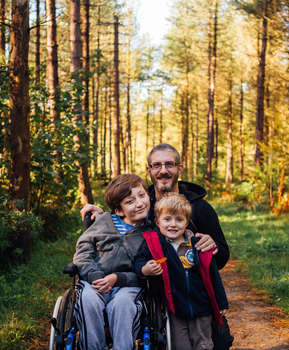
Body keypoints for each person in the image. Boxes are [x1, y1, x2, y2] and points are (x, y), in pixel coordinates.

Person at [81, 143, 229, 270]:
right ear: (149, 170)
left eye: (170, 164)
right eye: (156, 165)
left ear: (180, 169)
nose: (163, 171)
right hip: (142, 289)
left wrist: (213, 246)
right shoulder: (142, 206)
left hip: (185, 290)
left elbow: (222, 259)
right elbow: (125, 221)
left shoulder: (200, 208)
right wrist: (103, 215)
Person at [134, 193, 229, 350]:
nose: (173, 224)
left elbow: (213, 274)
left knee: (204, 344)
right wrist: (146, 269)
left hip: (202, 307)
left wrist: (221, 302)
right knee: (179, 345)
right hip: (175, 309)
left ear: (186, 223)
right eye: (167, 219)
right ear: (157, 222)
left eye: (179, 219)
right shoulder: (155, 245)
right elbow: (139, 261)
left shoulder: (198, 245)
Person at [72, 173, 151, 350]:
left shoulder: (150, 233)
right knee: (87, 299)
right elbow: (83, 252)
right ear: (119, 211)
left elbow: (142, 273)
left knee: (123, 304)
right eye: (130, 201)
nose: (139, 203)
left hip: (127, 286)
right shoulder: (102, 222)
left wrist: (117, 278)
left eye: (142, 195)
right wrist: (95, 276)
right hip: (94, 281)